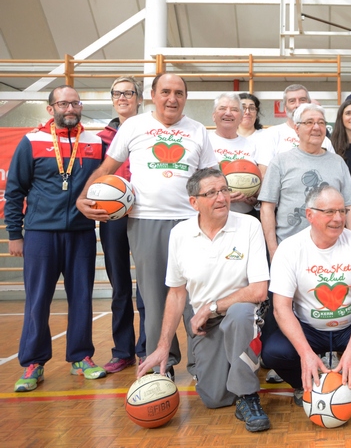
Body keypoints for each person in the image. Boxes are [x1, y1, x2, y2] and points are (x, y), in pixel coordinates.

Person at [77, 73, 219, 380]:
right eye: (165, 91)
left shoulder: (197, 130)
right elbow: (107, 168)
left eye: (179, 93)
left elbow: (210, 175)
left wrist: (222, 195)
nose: (172, 98)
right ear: (153, 95)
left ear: (185, 97)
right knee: (154, 299)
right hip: (145, 222)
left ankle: (201, 365)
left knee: (196, 296)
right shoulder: (133, 126)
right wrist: (84, 195)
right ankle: (162, 363)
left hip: (191, 222)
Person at [137, 168, 271, 433]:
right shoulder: (180, 234)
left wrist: (211, 307)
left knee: (241, 314)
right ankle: (234, 365)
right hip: (204, 323)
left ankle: (248, 397)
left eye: (224, 190)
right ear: (193, 202)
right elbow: (176, 294)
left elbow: (258, 290)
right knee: (214, 398)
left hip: (242, 313)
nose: (221, 198)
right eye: (211, 193)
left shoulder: (249, 226)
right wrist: (163, 345)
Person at [8, 85, 107, 391]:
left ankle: (81, 357)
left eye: (75, 103)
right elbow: (15, 191)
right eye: (63, 103)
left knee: (81, 298)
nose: (70, 108)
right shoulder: (31, 141)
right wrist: (15, 234)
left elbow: (104, 186)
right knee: (38, 300)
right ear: (50, 109)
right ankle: (33, 363)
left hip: (81, 234)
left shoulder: (94, 143)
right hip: (40, 234)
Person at [261, 187, 351, 407]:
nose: (338, 218)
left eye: (342, 211)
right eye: (330, 212)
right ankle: (305, 383)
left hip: (350, 326)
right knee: (274, 354)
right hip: (309, 328)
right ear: (309, 215)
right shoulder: (289, 249)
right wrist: (305, 353)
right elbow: (281, 308)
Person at [259, 103, 351, 259]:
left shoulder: (338, 162)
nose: (316, 127)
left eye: (321, 122)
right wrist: (273, 251)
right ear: (296, 128)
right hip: (290, 250)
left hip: (333, 250)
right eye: (309, 122)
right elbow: (267, 208)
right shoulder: (280, 162)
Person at [97, 76, 146, 373]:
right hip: (112, 218)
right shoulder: (101, 138)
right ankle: (123, 350)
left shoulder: (149, 131)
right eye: (117, 93)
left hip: (143, 215)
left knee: (147, 287)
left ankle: (145, 348)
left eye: (129, 93)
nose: (123, 97)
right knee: (119, 286)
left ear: (139, 98)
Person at [254, 84, 332, 173]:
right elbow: (264, 174)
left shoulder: (323, 139)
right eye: (292, 101)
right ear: (284, 108)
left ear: (310, 104)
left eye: (302, 100)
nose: (298, 105)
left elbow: (332, 171)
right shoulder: (271, 134)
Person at [208, 93, 259, 218]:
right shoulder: (204, 141)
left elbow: (260, 180)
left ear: (241, 118)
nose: (228, 113)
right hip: (213, 214)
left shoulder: (253, 145)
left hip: (246, 215)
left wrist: (255, 197)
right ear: (214, 116)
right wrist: (220, 195)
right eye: (222, 108)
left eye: (235, 110)